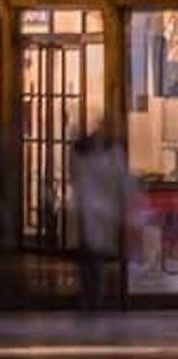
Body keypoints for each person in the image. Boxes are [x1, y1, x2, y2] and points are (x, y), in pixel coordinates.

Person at [72, 126, 135, 309]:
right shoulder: (112, 156)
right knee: (94, 256)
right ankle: (95, 298)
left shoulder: (81, 157)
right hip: (100, 211)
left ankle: (90, 297)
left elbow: (78, 180)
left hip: (90, 210)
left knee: (90, 255)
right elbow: (122, 182)